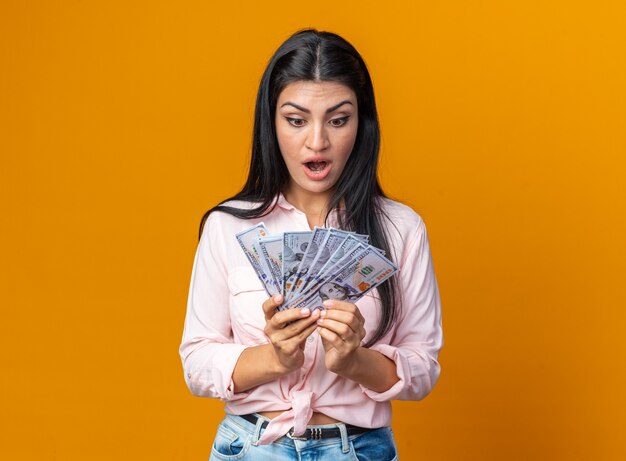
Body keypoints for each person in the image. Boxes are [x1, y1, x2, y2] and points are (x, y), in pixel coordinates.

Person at [179, 28, 443, 460]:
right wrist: (275, 358)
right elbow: (196, 361)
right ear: (272, 122)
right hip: (251, 448)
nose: (317, 141)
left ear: (362, 124)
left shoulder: (402, 229)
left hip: (358, 449)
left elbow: (424, 368)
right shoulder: (227, 226)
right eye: (296, 120)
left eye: (338, 120)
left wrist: (353, 361)